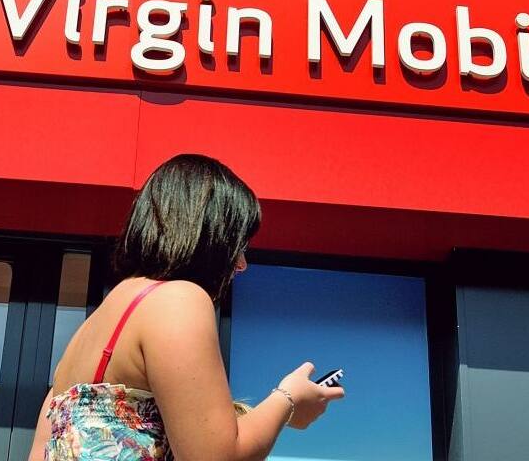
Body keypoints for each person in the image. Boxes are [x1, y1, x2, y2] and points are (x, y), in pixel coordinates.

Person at [29, 154, 344, 461]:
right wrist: (288, 400)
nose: (241, 263)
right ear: (210, 236)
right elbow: (216, 456)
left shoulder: (89, 332)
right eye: (238, 246)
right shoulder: (177, 299)